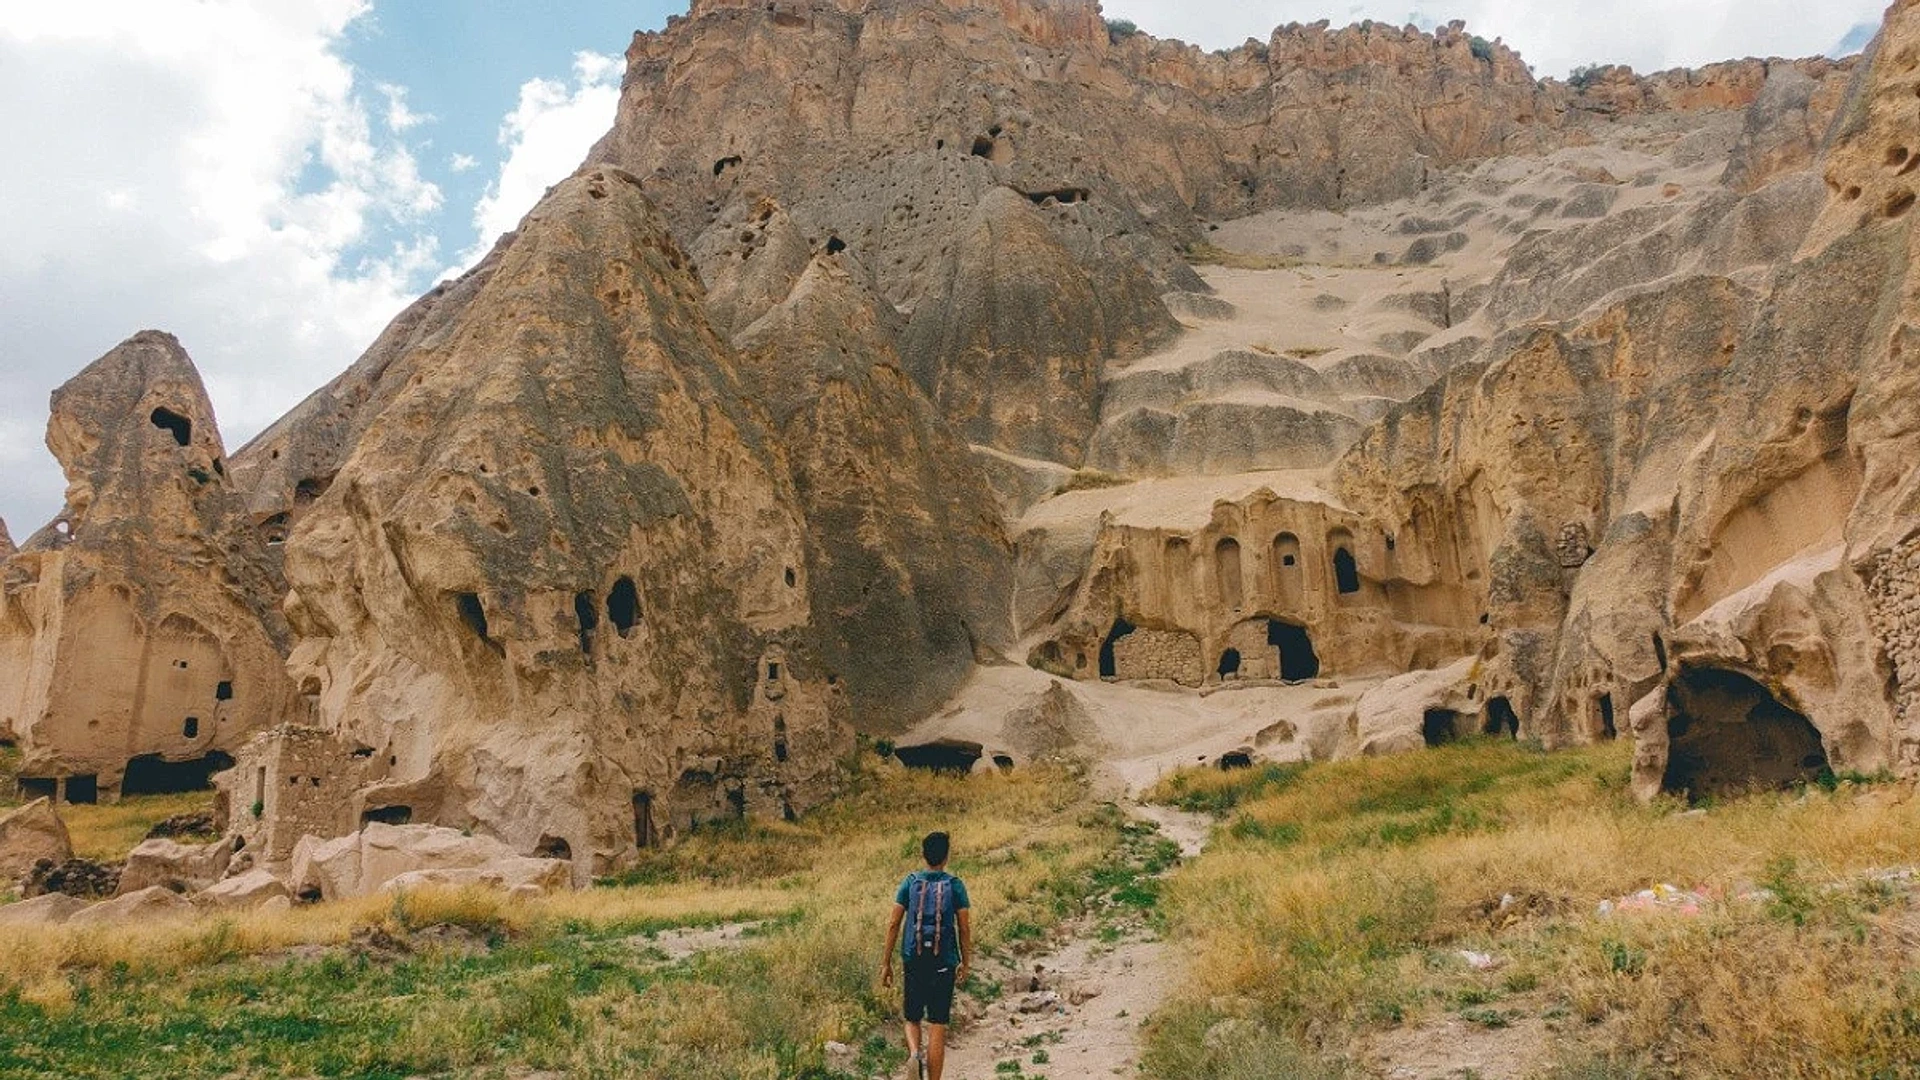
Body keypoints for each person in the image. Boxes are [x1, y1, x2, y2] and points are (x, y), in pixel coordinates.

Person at [882, 830, 972, 1080]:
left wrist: (886, 962)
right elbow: (964, 928)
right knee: (937, 1024)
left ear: (923, 855)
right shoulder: (955, 886)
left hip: (914, 960)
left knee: (912, 1018)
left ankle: (914, 1054)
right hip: (944, 963)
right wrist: (965, 962)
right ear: (946, 856)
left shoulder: (910, 882)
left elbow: (893, 923)